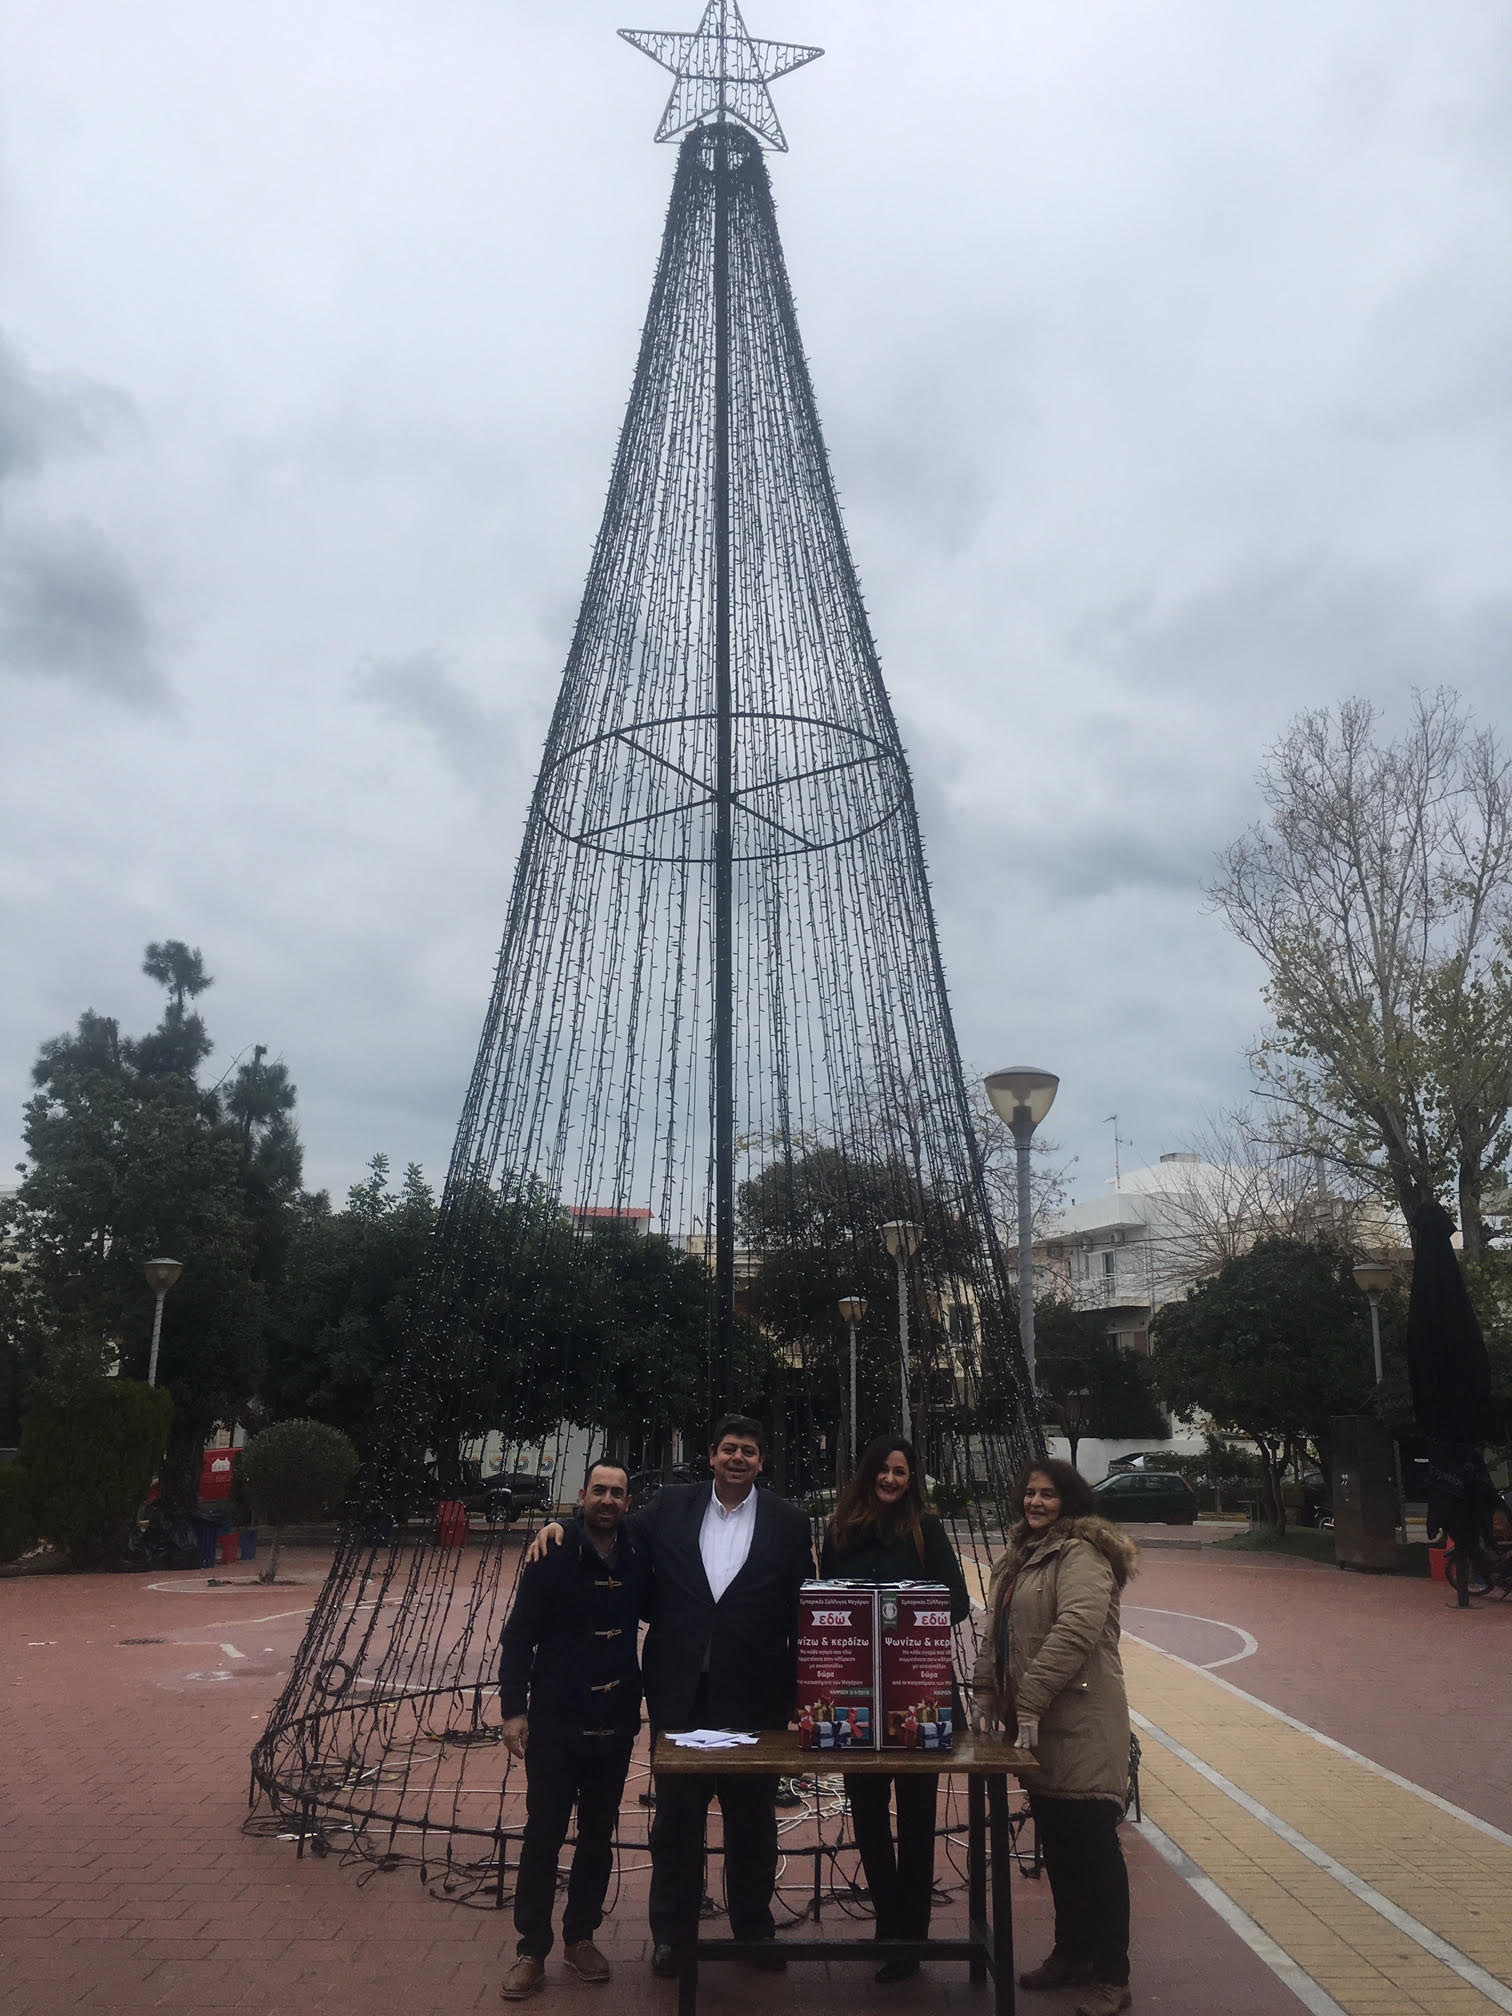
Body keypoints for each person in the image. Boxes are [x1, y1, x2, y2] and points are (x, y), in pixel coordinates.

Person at [527, 1415, 814, 1978]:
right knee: (678, 1819)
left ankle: (753, 1928)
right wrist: (560, 1526)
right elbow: (609, 1524)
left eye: (748, 1451)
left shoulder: (788, 1521)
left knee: (752, 1818)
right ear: (711, 1455)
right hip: (680, 1691)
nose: (737, 1458)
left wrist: (802, 1691)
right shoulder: (670, 1506)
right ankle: (673, 1935)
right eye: (729, 1448)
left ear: (761, 1461)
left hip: (755, 1695)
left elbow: (802, 1606)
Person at [971, 1458, 1138, 2016]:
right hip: (1035, 1726)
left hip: (1081, 1721)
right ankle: (1072, 1952)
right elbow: (998, 1631)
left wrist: (1030, 1697)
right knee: (1059, 1847)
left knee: (1093, 1847)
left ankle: (1112, 1974)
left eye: (1047, 1494)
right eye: (1029, 1493)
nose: (1035, 1502)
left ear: (1070, 1501)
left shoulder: (1082, 1553)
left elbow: (1076, 1629)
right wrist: (985, 1688)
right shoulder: (1020, 1555)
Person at [818, 1435, 971, 1984]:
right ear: (868, 1474)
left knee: (918, 1815)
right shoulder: (840, 1531)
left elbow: (956, 1600)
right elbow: (825, 1598)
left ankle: (913, 1936)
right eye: (882, 1469)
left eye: (900, 1472)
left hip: (917, 1690)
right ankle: (889, 1922)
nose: (890, 1479)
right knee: (866, 1812)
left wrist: (900, 1610)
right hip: (857, 1692)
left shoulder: (926, 1529)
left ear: (912, 1480)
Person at [497, 1459, 651, 2001]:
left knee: (597, 1836)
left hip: (614, 1719)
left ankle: (580, 1935)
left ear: (628, 1502)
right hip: (557, 1718)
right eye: (599, 1491)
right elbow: (519, 1636)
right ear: (582, 1495)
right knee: (543, 1834)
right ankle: (531, 1948)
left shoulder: (639, 1553)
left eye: (618, 1493)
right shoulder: (553, 1552)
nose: (608, 1500)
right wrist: (513, 1709)